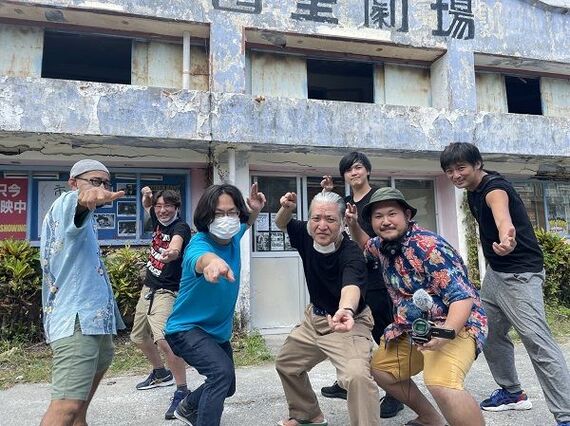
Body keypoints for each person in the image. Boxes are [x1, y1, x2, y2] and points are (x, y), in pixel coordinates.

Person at [441, 142, 570, 426]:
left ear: (478, 164)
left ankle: (566, 415)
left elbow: (503, 218)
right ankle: (512, 393)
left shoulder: (494, 189)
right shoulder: (473, 189)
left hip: (520, 276)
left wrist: (507, 237)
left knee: (538, 342)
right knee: (489, 331)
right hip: (497, 274)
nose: (455, 175)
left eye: (461, 168)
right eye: (449, 171)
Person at [350, 187, 488, 426]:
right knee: (382, 369)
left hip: (456, 324)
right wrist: (352, 224)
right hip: (413, 327)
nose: (385, 221)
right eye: (378, 216)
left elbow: (462, 298)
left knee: (442, 383)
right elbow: (364, 244)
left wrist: (445, 334)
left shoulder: (429, 247)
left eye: (392, 214)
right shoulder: (381, 244)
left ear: (407, 215)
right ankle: (429, 418)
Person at [274, 190, 381, 426]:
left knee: (357, 377)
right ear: (309, 220)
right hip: (315, 319)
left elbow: (351, 286)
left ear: (343, 223)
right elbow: (282, 223)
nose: (322, 226)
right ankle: (308, 415)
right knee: (287, 363)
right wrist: (286, 208)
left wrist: (346, 310)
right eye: (316, 218)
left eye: (330, 219)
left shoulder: (352, 253)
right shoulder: (305, 234)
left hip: (349, 323)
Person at [164, 183, 266, 426]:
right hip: (186, 329)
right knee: (220, 374)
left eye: (231, 212)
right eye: (219, 214)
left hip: (216, 332)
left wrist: (254, 210)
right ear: (206, 216)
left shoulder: (233, 236)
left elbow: (246, 224)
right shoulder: (199, 244)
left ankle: (188, 407)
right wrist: (212, 263)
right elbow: (200, 259)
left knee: (227, 386)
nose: (226, 219)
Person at [40, 159, 126, 426]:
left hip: (94, 321)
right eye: (95, 181)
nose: (102, 188)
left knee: (79, 410)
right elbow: (76, 203)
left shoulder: (87, 220)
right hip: (77, 321)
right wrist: (84, 197)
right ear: (73, 183)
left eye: (106, 183)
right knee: (66, 406)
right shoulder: (66, 204)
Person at [320, 151, 404, 418]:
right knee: (348, 330)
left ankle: (396, 392)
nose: (353, 173)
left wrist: (356, 224)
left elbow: (375, 243)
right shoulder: (344, 203)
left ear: (367, 170)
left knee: (384, 334)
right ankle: (347, 381)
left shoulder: (379, 199)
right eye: (348, 170)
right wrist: (327, 195)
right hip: (350, 275)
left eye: (357, 168)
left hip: (377, 276)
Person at [130, 187, 192, 419]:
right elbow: (147, 205)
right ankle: (160, 373)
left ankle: (182, 391)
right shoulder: (157, 220)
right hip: (149, 288)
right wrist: (147, 198)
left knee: (166, 342)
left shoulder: (180, 227)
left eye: (167, 206)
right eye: (159, 206)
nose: (162, 210)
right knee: (138, 337)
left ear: (177, 207)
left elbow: (176, 244)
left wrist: (172, 253)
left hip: (167, 291)